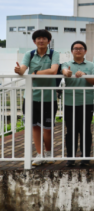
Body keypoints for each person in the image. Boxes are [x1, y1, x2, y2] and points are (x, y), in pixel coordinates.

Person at [15, 29, 61, 166]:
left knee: (48, 127)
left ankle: (48, 152)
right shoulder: (29, 54)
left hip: (48, 97)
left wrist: (35, 73)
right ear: (34, 41)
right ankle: (40, 154)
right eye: (38, 38)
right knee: (34, 126)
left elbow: (53, 71)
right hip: (31, 97)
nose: (41, 40)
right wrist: (18, 71)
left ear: (48, 41)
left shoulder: (54, 54)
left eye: (44, 38)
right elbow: (23, 69)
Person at [61, 41, 94, 167]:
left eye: (81, 48)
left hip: (86, 102)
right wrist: (67, 73)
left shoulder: (91, 65)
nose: (78, 50)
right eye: (75, 48)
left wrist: (84, 75)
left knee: (85, 130)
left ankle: (85, 158)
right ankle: (70, 158)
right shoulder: (66, 64)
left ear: (85, 51)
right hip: (69, 102)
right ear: (72, 51)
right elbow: (64, 70)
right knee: (71, 131)